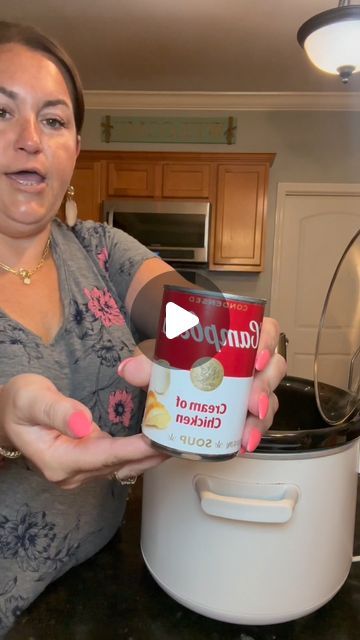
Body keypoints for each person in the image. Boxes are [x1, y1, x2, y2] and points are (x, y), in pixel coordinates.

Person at [0, 20, 287, 635]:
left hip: (93, 590)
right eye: (2, 113)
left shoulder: (100, 251)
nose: (29, 140)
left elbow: (190, 306)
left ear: (75, 147)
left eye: (52, 120)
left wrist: (245, 348)